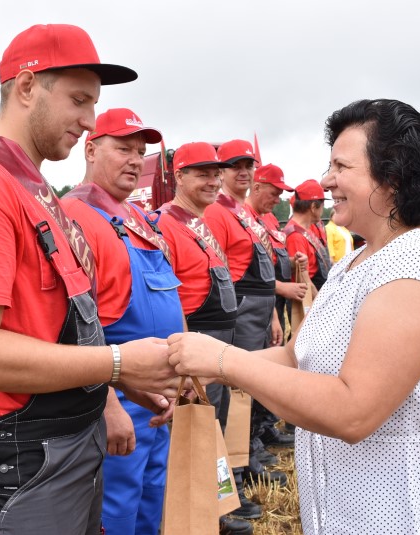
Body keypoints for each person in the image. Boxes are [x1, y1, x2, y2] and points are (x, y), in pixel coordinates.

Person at [167, 98, 420, 534]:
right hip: (344, 510)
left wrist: (223, 360)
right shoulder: (355, 263)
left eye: (341, 166)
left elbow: (353, 411)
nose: (326, 180)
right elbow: (294, 358)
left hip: (404, 510)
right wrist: (204, 368)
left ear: (392, 176)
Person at [0, 25, 179, 534]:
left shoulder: (34, 190)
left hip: (68, 440)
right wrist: (117, 362)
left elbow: (60, 323)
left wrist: (112, 385)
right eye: (79, 100)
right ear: (26, 87)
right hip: (25, 457)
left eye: (93, 104)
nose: (89, 121)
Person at [61, 108, 182, 535]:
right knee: (116, 507)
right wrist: (109, 403)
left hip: (156, 396)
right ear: (91, 150)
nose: (135, 160)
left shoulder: (138, 219)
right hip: (117, 391)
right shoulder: (74, 216)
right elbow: (72, 322)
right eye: (123, 148)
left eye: (140, 152)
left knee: (151, 499)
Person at [155, 142, 253, 535]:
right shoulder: (166, 224)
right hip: (195, 341)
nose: (213, 181)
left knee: (212, 426)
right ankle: (194, 518)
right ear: (179, 176)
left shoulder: (201, 222)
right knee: (191, 432)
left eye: (217, 173)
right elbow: (169, 298)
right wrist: (184, 352)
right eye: (202, 174)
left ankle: (211, 511)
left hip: (217, 341)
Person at [203, 139, 287, 493]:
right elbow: (219, 272)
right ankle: (232, 475)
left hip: (258, 312)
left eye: (248, 166)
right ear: (220, 172)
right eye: (234, 166)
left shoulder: (243, 214)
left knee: (247, 390)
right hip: (237, 313)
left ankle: (245, 457)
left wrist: (273, 317)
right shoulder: (216, 212)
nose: (243, 172)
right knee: (234, 393)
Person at [245, 163, 308, 340]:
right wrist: (282, 288)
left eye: (279, 195)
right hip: (255, 310)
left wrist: (292, 262)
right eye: (274, 194)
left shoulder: (270, 218)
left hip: (273, 305)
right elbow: (244, 273)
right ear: (256, 188)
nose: (278, 200)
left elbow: (270, 261)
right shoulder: (242, 217)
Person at [284, 179, 332, 290]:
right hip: (310, 295)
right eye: (322, 205)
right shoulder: (296, 235)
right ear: (313, 207)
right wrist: (319, 298)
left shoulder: (305, 230)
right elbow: (302, 280)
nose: (322, 210)